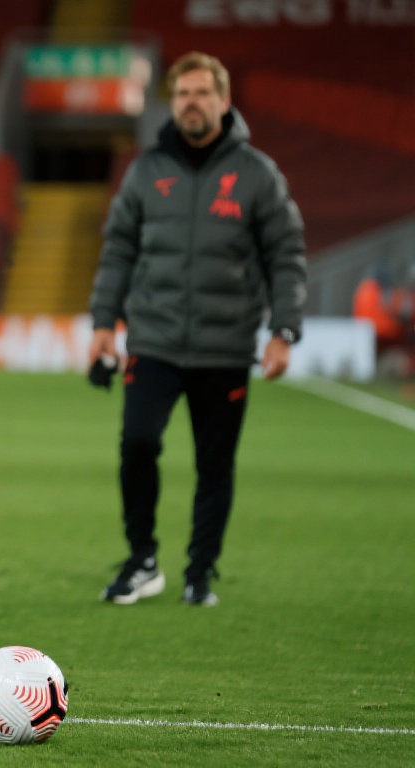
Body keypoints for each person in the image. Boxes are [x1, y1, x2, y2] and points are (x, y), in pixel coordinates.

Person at [87, 51, 306, 607]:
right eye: (182, 93)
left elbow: (285, 254)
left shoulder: (257, 174)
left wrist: (284, 329)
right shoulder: (146, 171)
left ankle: (199, 572)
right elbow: (118, 249)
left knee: (215, 465)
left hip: (225, 347)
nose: (191, 102)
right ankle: (143, 559)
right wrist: (103, 322)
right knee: (137, 444)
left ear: (223, 101)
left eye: (202, 92)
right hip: (154, 340)